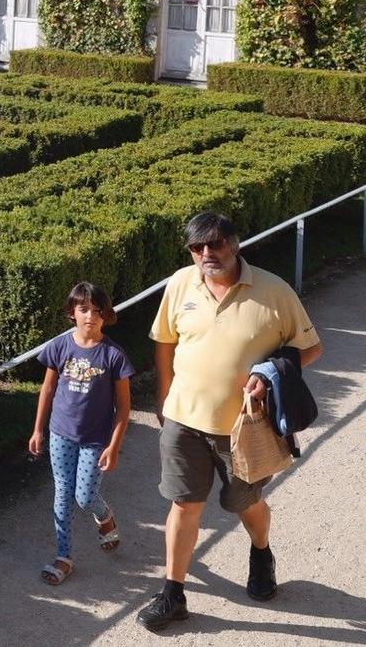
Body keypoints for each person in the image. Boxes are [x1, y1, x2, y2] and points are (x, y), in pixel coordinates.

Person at [136, 211, 322, 631]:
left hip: (244, 429)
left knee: (244, 501)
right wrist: (165, 397)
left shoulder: (273, 291)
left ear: (235, 243)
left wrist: (269, 373)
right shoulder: (181, 283)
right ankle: (172, 594)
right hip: (183, 420)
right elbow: (165, 343)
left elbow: (310, 349)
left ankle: (261, 551)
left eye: (215, 244)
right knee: (184, 503)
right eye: (197, 247)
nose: (206, 253)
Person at [29, 281, 134, 585]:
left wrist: (113, 447)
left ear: (106, 315)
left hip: (94, 440)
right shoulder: (60, 347)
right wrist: (38, 429)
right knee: (62, 494)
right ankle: (64, 557)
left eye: (97, 311)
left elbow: (124, 409)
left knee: (84, 497)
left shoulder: (113, 356)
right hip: (60, 434)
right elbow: (47, 389)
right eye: (84, 309)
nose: (90, 316)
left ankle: (104, 515)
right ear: (72, 312)